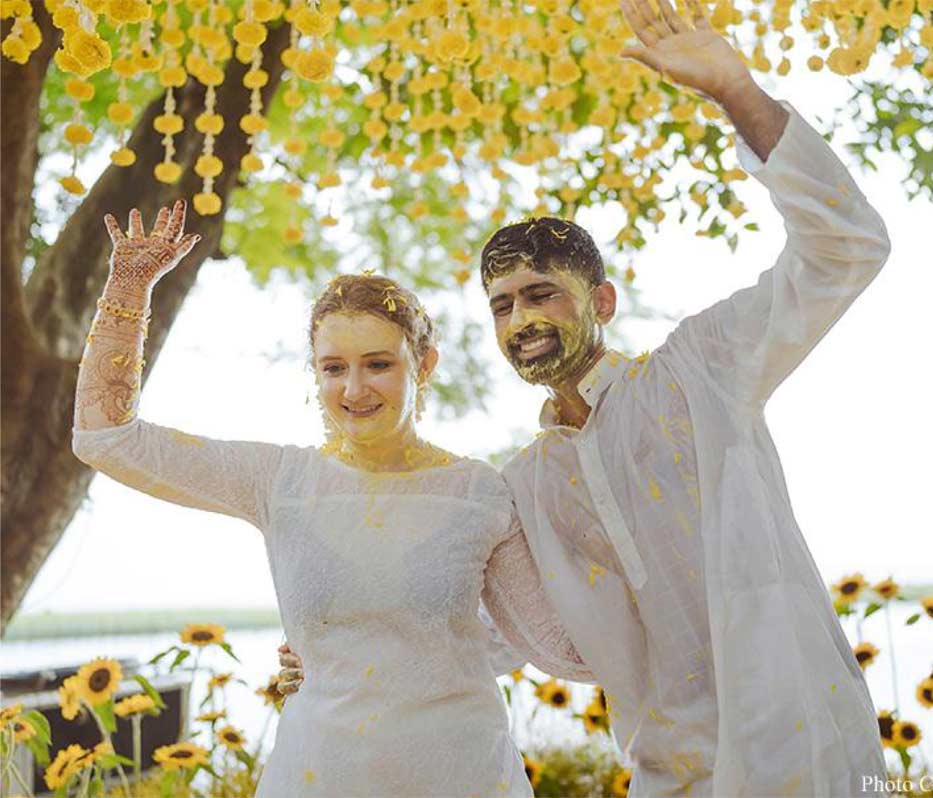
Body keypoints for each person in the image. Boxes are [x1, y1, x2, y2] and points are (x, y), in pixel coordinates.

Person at [280, 0, 891, 792]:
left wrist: (738, 92)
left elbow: (847, 248)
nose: (522, 320)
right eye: (502, 305)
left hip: (800, 748)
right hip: (668, 772)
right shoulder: (524, 486)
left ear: (600, 303)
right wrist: (339, 650)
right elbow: (489, 633)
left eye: (542, 294)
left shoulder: (700, 373)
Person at [72, 200, 592, 798]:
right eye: (333, 367)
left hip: (462, 772)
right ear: (314, 373)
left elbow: (549, 641)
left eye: (378, 365)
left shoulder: (479, 491)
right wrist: (128, 290)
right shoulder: (278, 481)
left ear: (423, 365)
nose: (353, 389)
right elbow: (105, 439)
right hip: (319, 773)